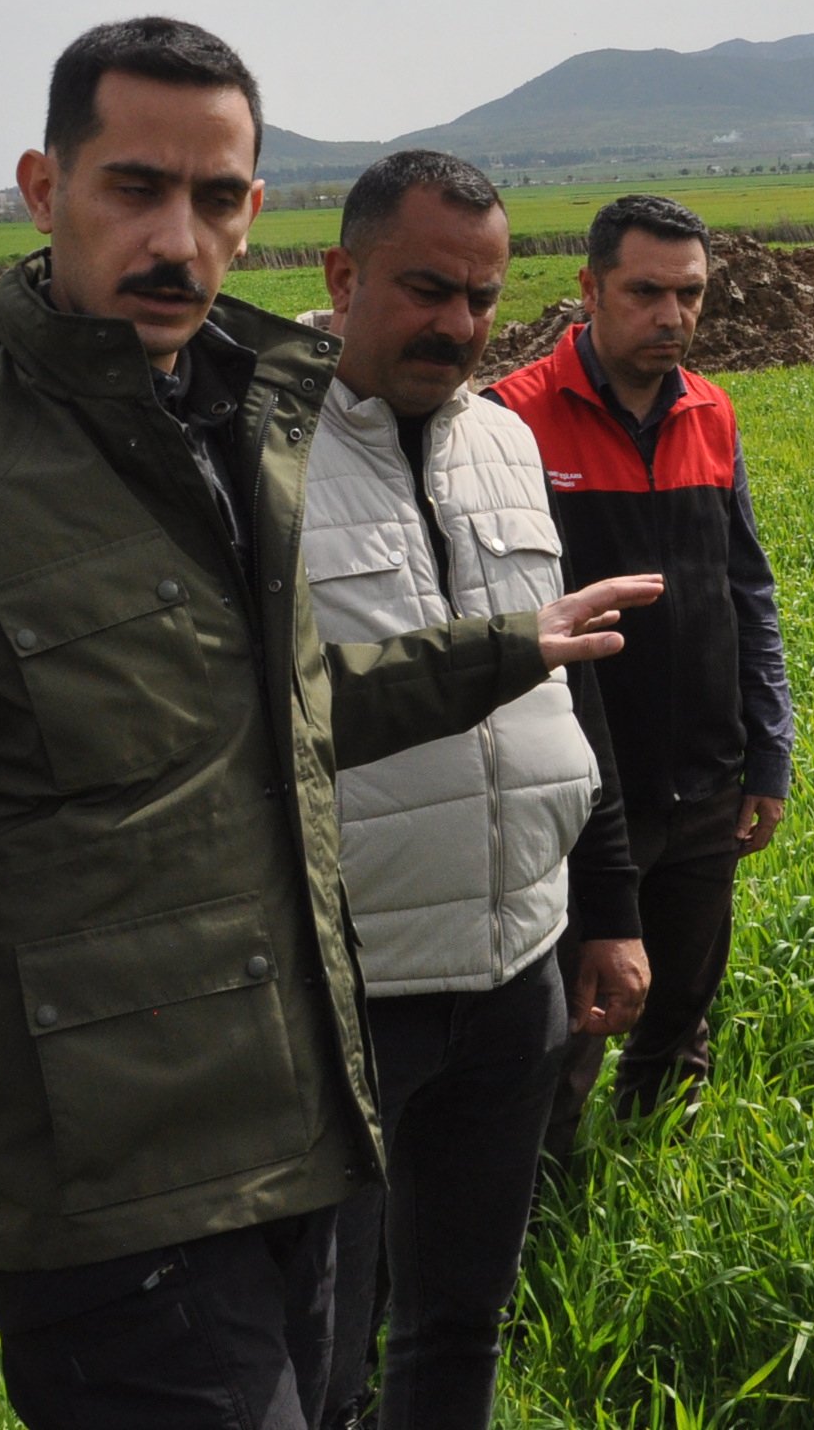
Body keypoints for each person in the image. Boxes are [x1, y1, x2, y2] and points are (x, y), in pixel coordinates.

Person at [0, 21, 656, 1430]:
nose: (176, 237)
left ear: (253, 214)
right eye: (134, 189)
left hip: (308, 1123)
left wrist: (500, 652)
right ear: (45, 188)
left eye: (215, 199)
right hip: (113, 1192)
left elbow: (271, 716)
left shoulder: (248, 426)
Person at [299, 151, 649, 1430]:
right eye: (425, 288)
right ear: (343, 277)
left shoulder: (506, 442)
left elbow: (573, 688)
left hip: (518, 974)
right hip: (345, 988)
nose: (455, 323)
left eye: (482, 298)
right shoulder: (254, 457)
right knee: (325, 1346)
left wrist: (607, 907)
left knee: (461, 1321)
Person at [485, 193, 795, 1159]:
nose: (672, 317)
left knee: (684, 999)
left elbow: (748, 588)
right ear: (588, 290)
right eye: (647, 292)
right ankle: (538, 1210)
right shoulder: (512, 420)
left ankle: (663, 1172)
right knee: (577, 1018)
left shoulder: (712, 410)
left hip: (706, 772)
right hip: (581, 783)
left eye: (690, 295)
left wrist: (770, 750)